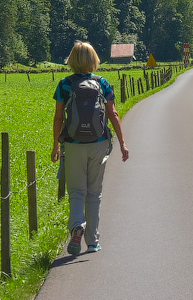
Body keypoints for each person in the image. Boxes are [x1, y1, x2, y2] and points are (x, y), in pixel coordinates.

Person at [52, 41, 128, 254]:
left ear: (72, 60)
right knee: (94, 192)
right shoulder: (102, 83)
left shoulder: (64, 85)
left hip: (74, 144)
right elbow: (113, 114)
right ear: (93, 59)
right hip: (99, 143)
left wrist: (56, 146)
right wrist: (122, 143)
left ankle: (77, 226)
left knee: (77, 191)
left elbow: (59, 118)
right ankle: (92, 241)